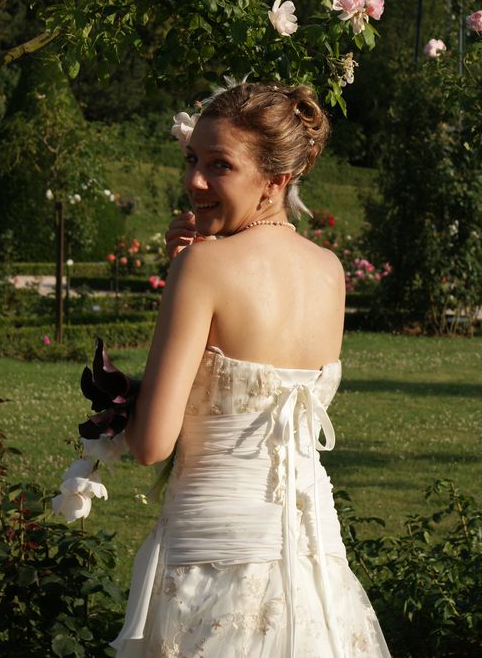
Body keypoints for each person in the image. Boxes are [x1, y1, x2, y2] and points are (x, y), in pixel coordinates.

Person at [111, 82, 390, 657]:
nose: (195, 181)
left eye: (220, 166)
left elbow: (150, 445)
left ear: (275, 181)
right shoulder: (329, 270)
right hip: (313, 573)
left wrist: (116, 414)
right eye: (193, 159)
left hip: (211, 563)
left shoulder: (203, 269)